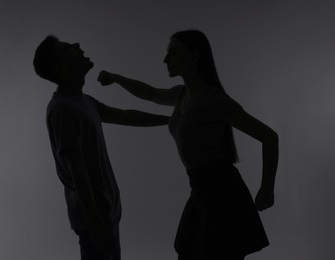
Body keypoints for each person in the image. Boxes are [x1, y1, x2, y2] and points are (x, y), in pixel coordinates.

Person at [98, 29, 279, 259]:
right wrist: (116, 78)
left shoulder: (215, 100)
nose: (165, 59)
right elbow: (150, 93)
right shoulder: (180, 95)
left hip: (224, 194)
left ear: (194, 57)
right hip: (200, 191)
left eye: (173, 53)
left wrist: (267, 188)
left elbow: (269, 137)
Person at [33, 35, 169, 260]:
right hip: (94, 221)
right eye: (68, 48)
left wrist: (171, 119)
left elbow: (126, 116)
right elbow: (77, 171)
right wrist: (95, 225)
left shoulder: (84, 101)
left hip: (106, 215)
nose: (76, 45)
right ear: (61, 67)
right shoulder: (62, 109)